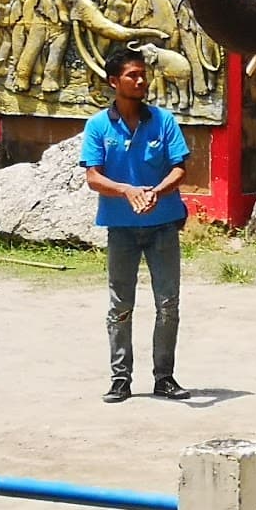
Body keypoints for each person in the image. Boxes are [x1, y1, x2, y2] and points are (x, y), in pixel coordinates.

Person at [81, 46, 193, 404]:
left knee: (168, 304)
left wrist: (157, 192)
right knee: (120, 305)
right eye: (132, 75)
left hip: (163, 225)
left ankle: (165, 377)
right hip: (121, 228)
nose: (141, 80)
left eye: (143, 74)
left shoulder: (163, 121)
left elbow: (180, 168)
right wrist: (127, 191)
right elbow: (94, 178)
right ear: (114, 81)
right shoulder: (98, 125)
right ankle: (120, 379)